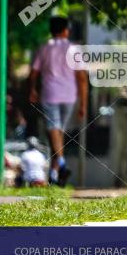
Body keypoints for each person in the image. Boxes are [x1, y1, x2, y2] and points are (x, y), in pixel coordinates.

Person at [28, 16, 87, 186]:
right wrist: (83, 104)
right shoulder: (74, 49)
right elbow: (82, 78)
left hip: (50, 94)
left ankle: (60, 165)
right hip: (69, 96)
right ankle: (54, 176)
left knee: (54, 131)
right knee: (58, 133)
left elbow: (33, 73)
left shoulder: (44, 48)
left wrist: (32, 89)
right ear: (65, 30)